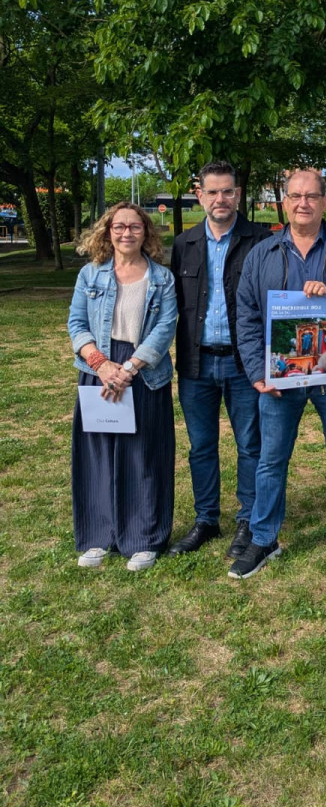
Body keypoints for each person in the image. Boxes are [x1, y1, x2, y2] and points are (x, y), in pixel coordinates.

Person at [234, 169, 326, 579]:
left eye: (312, 196)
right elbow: (247, 314)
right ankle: (264, 537)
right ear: (284, 202)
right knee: (271, 459)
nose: (303, 203)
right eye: (295, 196)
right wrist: (258, 372)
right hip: (279, 377)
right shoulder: (263, 253)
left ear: (325, 202)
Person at [168, 161, 271, 559]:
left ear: (238, 194)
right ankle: (206, 520)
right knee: (200, 446)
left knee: (250, 445)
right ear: (200, 196)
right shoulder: (184, 244)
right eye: (212, 192)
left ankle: (248, 519)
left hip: (245, 363)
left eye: (228, 191)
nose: (220, 199)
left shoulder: (260, 241)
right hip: (196, 363)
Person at [67, 202, 178, 571]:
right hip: (98, 369)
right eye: (119, 226)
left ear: (146, 232)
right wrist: (101, 364)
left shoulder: (162, 278)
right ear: (108, 231)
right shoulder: (90, 274)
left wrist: (128, 369)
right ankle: (98, 537)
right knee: (97, 457)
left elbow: (164, 329)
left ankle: (144, 539)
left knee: (143, 456)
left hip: (143, 372)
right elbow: (76, 323)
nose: (126, 233)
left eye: (134, 227)